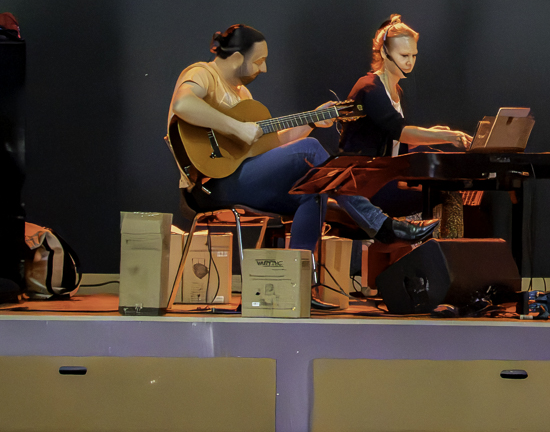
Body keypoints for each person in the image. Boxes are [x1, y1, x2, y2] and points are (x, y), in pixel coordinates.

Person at [167, 24, 434, 257]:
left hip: (240, 178)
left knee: (314, 191)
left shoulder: (243, 94)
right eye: (259, 61)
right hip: (208, 186)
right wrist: (236, 127)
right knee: (311, 150)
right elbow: (183, 103)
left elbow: (270, 147)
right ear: (237, 57)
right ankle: (382, 226)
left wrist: (312, 121)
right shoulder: (203, 73)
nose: (264, 68)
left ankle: (298, 281)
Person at [339, 15, 475, 232]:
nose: (410, 62)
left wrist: (432, 134)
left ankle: (429, 252)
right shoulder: (369, 87)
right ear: (385, 53)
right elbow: (399, 131)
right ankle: (428, 253)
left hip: (383, 178)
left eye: (413, 55)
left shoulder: (396, 91)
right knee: (443, 195)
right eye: (404, 55)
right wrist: (447, 136)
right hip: (362, 181)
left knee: (444, 192)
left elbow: (397, 138)